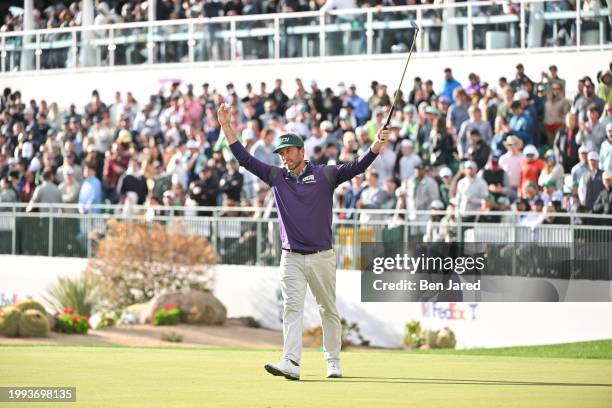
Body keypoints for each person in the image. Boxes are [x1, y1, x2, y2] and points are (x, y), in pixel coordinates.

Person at [218, 102, 389, 381]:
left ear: (301, 151)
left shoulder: (325, 174)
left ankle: (333, 361)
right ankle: (291, 362)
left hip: (321, 255)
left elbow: (356, 167)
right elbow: (244, 160)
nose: (284, 156)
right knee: (291, 308)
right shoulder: (277, 177)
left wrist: (376, 146)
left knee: (328, 310)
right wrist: (227, 127)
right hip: (291, 256)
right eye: (281, 152)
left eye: (288, 151)